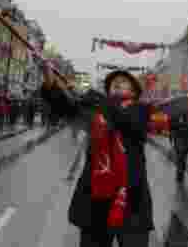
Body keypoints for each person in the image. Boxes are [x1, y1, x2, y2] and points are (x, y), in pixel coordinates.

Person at [60, 69, 168, 247]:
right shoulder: (97, 110)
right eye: (113, 82)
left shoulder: (141, 110)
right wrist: (53, 83)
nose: (117, 82)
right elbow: (65, 107)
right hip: (95, 201)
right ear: (108, 90)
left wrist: (96, 99)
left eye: (124, 81)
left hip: (131, 200)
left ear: (134, 92)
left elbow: (127, 122)